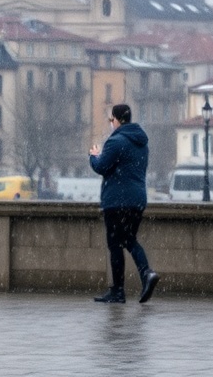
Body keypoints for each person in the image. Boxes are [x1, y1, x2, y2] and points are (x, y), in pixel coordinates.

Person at [88, 103, 160, 304]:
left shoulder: (116, 141)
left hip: (117, 200)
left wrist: (93, 156)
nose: (111, 124)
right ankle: (146, 273)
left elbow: (102, 167)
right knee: (129, 239)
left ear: (117, 120)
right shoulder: (141, 142)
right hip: (137, 200)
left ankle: (118, 291)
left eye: (112, 120)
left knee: (115, 243)